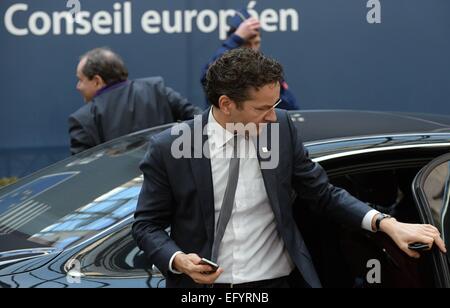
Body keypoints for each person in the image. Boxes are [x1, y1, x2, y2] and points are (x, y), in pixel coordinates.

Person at [133, 48, 446, 288]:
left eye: (276, 105)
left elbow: (323, 193)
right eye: (262, 109)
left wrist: (387, 223)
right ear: (227, 104)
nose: (273, 117)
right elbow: (147, 226)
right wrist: (178, 260)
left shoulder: (280, 129)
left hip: (277, 282)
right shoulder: (170, 148)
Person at [69, 48, 202, 155]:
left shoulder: (83, 119)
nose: (78, 86)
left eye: (80, 80)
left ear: (97, 81)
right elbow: (202, 121)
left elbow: (82, 174)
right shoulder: (157, 89)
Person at [200, 9, 299, 110]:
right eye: (246, 44)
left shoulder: (266, 71)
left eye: (256, 43)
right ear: (233, 43)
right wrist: (236, 38)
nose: (252, 49)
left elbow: (291, 107)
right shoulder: (223, 69)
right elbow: (210, 77)